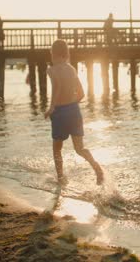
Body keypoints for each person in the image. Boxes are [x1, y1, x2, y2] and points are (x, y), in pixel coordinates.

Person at [44, 39, 104, 185]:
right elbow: (82, 93)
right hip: (74, 111)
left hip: (59, 112)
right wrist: (71, 105)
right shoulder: (71, 69)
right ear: (66, 53)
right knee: (79, 148)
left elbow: (56, 88)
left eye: (52, 52)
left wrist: (52, 107)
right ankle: (96, 167)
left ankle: (60, 178)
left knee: (57, 148)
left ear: (54, 53)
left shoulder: (51, 70)